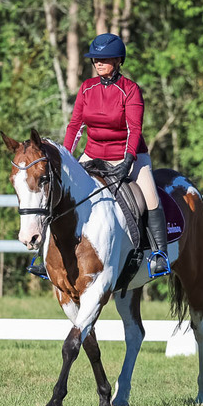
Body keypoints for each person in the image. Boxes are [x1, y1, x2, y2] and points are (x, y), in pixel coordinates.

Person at [29, 33, 170, 279]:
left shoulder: (130, 90)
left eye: (104, 59)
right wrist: (65, 157)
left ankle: (159, 255)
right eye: (95, 59)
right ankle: (45, 255)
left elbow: (134, 129)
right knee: (59, 193)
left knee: (150, 197)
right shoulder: (87, 88)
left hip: (128, 154)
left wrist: (128, 160)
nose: (98, 63)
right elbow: (75, 126)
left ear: (118, 61)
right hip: (93, 153)